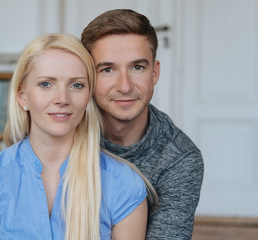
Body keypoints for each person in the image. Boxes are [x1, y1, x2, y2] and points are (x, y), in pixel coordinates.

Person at [0, 33, 153, 239]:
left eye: (76, 85)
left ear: (88, 98)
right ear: (22, 96)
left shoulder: (125, 183)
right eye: (46, 84)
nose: (62, 99)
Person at [81, 9, 204, 239]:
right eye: (108, 69)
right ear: (88, 76)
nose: (125, 86)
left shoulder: (180, 158)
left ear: (154, 73)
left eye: (137, 67)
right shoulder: (64, 132)